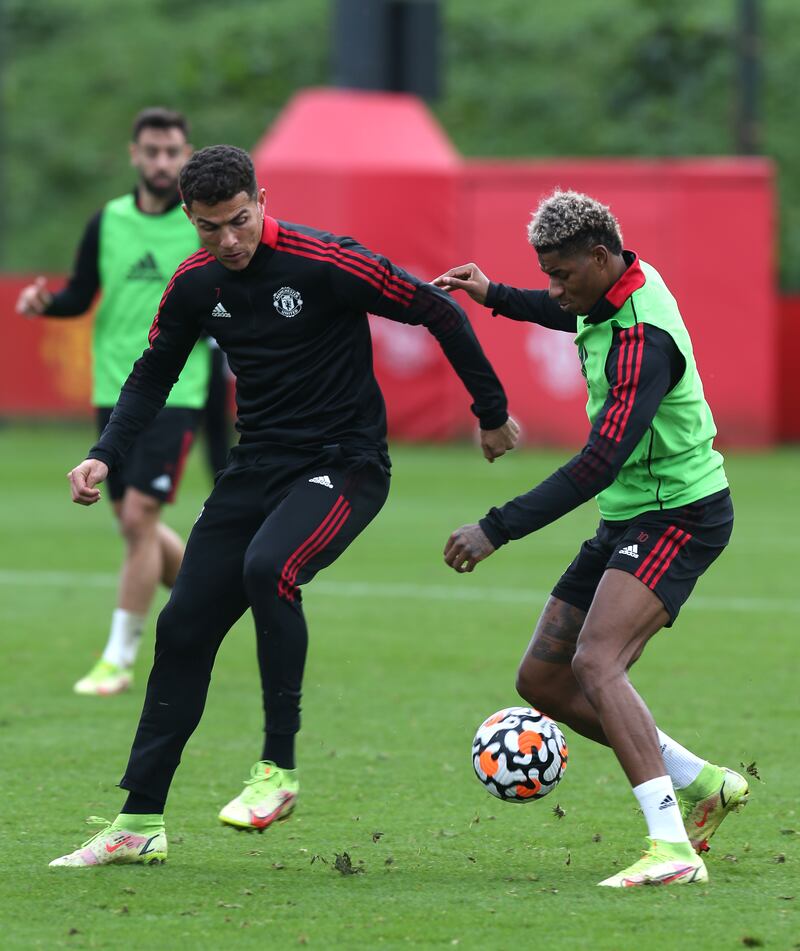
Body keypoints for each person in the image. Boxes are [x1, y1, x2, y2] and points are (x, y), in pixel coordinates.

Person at [49, 144, 520, 868]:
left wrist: (490, 412)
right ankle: (138, 820)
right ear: (190, 220)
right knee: (181, 628)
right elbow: (151, 376)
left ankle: (277, 769)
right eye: (210, 228)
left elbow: (436, 311)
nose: (228, 241)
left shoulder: (328, 261)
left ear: (261, 200)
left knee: (270, 567)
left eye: (238, 221)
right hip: (255, 470)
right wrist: (104, 453)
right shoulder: (195, 282)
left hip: (346, 465)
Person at [434, 189, 748, 888]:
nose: (555, 287)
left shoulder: (643, 341)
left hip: (679, 514)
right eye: (546, 273)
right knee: (541, 678)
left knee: (598, 661)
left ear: (600, 258)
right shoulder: (610, 285)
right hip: (630, 512)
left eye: (562, 273)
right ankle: (702, 781)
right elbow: (567, 307)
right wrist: (497, 294)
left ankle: (671, 847)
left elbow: (597, 462)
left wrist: (497, 526)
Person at [16, 107, 212, 697]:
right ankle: (211, 599)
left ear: (186, 154)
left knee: (139, 519)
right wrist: (46, 304)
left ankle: (119, 659)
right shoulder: (108, 222)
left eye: (171, 151)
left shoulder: (199, 225)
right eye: (151, 151)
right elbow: (80, 294)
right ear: (134, 154)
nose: (160, 162)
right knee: (137, 531)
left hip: (178, 389)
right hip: (114, 393)